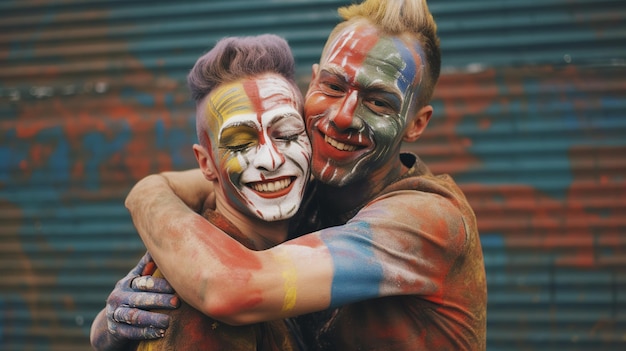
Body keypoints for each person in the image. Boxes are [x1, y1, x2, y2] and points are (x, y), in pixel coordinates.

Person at [97, 0, 487, 349]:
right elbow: (187, 185)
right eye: (333, 86)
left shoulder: (428, 221)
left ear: (417, 124)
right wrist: (112, 324)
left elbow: (231, 287)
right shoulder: (299, 181)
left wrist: (143, 197)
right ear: (312, 81)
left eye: (379, 102)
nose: (343, 116)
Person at [90, 34, 311, 350]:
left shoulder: (316, 219)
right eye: (240, 143)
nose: (272, 159)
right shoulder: (195, 301)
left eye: (287, 134)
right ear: (207, 164)